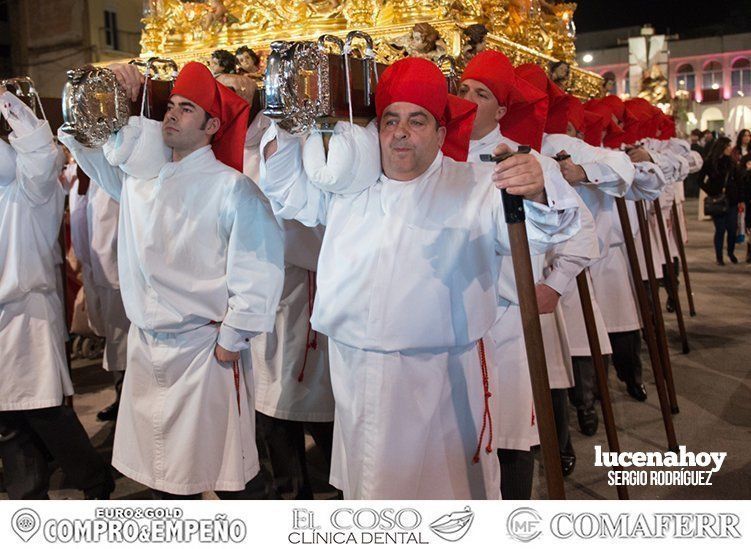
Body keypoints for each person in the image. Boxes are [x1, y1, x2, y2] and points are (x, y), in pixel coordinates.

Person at [258, 57, 580, 499]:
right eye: (390, 120)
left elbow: (549, 228)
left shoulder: (476, 184)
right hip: (356, 374)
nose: (400, 132)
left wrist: (540, 186)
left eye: (417, 120)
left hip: (439, 382)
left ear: (442, 133)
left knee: (441, 501)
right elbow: (286, 193)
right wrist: (285, 122)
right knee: (369, 500)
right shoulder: (350, 189)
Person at [59, 62, 285, 498]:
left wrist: (231, 339)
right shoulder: (140, 183)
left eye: (186, 109)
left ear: (212, 125)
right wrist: (97, 96)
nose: (172, 114)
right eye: (171, 106)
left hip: (204, 352)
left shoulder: (232, 188)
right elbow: (89, 149)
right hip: (149, 348)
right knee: (162, 476)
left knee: (230, 473)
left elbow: (260, 268)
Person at [458, 52, 583, 493]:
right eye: (463, 89)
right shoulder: (436, 157)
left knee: (510, 433)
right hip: (446, 320)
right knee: (456, 436)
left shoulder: (531, 161)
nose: (469, 99)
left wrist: (556, 282)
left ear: (503, 108)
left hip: (507, 317)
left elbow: (575, 228)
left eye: (482, 93)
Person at [0, 85, 114, 499]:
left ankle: (95, 483)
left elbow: (40, 153)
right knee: (10, 422)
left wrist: (7, 102)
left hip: (24, 318)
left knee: (44, 412)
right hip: (7, 320)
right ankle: (28, 507)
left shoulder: (29, 190)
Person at [699, 137, 742, 265]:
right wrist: (711, 191)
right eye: (728, 146)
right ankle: (719, 256)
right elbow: (700, 180)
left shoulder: (732, 162)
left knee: (732, 228)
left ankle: (730, 252)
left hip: (732, 200)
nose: (730, 148)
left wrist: (740, 199)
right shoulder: (710, 162)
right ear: (722, 147)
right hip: (717, 200)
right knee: (720, 229)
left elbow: (739, 181)